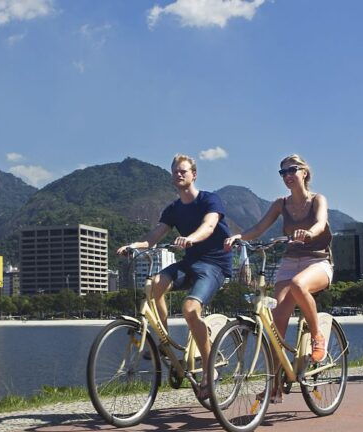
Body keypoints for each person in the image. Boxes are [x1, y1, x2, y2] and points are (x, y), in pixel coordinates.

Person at [117, 154, 232, 398]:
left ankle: (210, 370)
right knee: (155, 285)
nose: (179, 174)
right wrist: (134, 246)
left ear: (194, 174)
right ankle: (164, 342)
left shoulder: (210, 200)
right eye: (175, 172)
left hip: (214, 265)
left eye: (183, 171)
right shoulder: (173, 209)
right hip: (190, 263)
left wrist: (192, 238)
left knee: (190, 309)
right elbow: (152, 238)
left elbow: (209, 226)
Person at [224, 154, 332, 403]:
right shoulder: (280, 204)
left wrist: (309, 233)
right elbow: (258, 228)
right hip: (289, 262)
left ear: (304, 172)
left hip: (318, 261)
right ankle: (275, 384)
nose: (287, 176)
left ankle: (317, 336)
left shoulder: (317, 199)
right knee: (276, 324)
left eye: (292, 170)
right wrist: (239, 237)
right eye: (282, 172)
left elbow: (320, 223)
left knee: (298, 285)